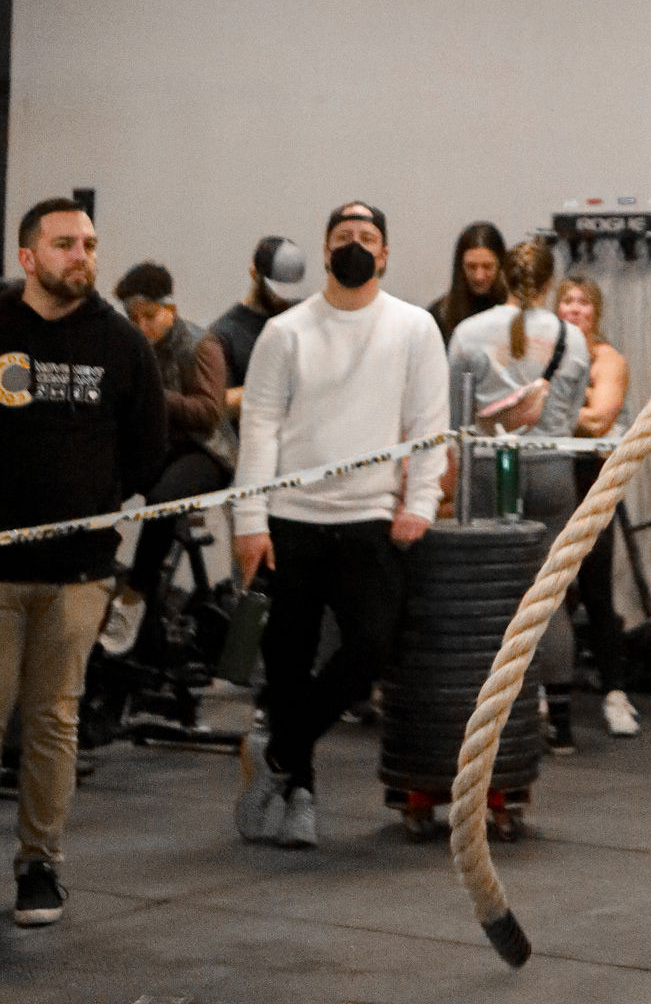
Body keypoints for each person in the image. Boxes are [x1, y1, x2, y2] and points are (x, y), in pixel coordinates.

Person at [231, 202, 449, 851]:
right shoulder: (286, 332)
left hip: (369, 520)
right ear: (325, 251)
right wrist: (249, 518)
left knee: (370, 650)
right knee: (288, 665)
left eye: (367, 238)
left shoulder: (414, 328)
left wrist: (422, 504)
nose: (354, 246)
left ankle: (275, 758)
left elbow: (429, 426)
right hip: (290, 521)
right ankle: (300, 793)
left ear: (384, 255)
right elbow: (259, 426)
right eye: (343, 237)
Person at [0, 198, 165, 926]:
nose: (83, 256)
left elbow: (147, 454)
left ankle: (39, 865)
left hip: (79, 572)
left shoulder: (122, 344)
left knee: (53, 720)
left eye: (91, 244)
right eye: (65, 244)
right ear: (28, 258)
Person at [449, 239, 591, 754]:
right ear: (550, 283)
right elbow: (572, 414)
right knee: (547, 596)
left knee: (489, 594)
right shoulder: (573, 339)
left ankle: (490, 715)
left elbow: (455, 417)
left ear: (504, 277)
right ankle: (564, 723)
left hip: (488, 471)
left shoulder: (468, 332)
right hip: (552, 470)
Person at [101, 261, 236, 657]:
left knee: (163, 500)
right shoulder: (130, 346)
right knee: (100, 486)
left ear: (170, 310)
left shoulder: (200, 345)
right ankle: (91, 578)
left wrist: (154, 397)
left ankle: (134, 598)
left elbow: (211, 412)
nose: (140, 326)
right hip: (158, 445)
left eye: (148, 316)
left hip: (205, 451)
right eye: (132, 317)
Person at [557, 274, 639, 739]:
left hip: (589, 482)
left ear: (596, 312)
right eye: (566, 301)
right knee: (548, 597)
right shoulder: (543, 352)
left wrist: (549, 408)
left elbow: (600, 417)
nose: (575, 309)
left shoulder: (608, 359)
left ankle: (615, 693)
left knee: (597, 591)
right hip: (548, 478)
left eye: (583, 303)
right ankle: (551, 697)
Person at [210, 235, 307, 421]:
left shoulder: (305, 315)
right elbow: (217, 404)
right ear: (254, 273)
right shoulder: (224, 334)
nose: (284, 298)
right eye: (276, 290)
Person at [430, 220, 507, 347]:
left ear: (500, 266)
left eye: (487, 267)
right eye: (471, 267)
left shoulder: (515, 315)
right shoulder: (440, 315)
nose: (479, 277)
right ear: (461, 267)